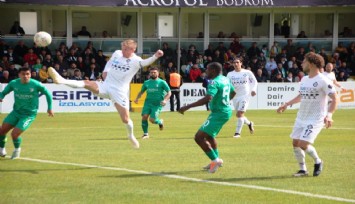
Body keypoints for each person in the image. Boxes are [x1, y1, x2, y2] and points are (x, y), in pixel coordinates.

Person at [48, 39, 164, 149]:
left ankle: (130, 135)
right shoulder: (117, 53)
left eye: (125, 49)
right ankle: (61, 80)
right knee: (87, 83)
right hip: (106, 85)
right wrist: (105, 71)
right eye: (122, 48)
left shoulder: (136, 60)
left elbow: (145, 62)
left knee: (125, 119)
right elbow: (109, 63)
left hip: (119, 92)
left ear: (132, 50)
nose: (122, 51)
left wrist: (156, 56)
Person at [277, 52, 338, 177]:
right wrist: (286, 104)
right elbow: (301, 96)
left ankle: (318, 161)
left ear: (311, 64)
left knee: (303, 144)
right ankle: (303, 169)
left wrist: (329, 115)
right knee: (295, 143)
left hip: (315, 118)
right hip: (302, 116)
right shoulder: (304, 79)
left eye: (304, 61)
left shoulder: (323, 80)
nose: (302, 63)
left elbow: (335, 98)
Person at [178, 62, 236, 173]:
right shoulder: (225, 79)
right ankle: (216, 159)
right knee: (209, 136)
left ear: (213, 70)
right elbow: (233, 92)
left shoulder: (214, 82)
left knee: (198, 137)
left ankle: (215, 160)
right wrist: (225, 102)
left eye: (208, 70)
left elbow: (208, 98)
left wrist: (188, 106)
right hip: (224, 111)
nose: (206, 72)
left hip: (219, 113)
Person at [0, 67, 53, 159]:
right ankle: (2, 148)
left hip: (28, 115)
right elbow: (3, 92)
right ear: (19, 75)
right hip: (16, 112)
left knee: (15, 134)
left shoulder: (36, 84)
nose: (25, 76)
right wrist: (1, 96)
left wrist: (50, 108)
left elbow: (48, 93)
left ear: (30, 74)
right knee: (2, 131)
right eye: (23, 74)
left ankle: (17, 150)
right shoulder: (14, 83)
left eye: (27, 74)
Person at [134, 67, 171, 139]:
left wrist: (165, 100)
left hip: (157, 104)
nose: (153, 73)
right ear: (149, 73)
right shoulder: (146, 82)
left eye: (154, 72)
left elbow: (169, 92)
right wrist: (137, 98)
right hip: (148, 103)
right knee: (144, 116)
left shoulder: (162, 82)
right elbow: (141, 91)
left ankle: (160, 122)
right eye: (151, 72)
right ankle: (145, 134)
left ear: (158, 73)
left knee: (152, 120)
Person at [227, 57, 257, 138]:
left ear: (241, 63)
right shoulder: (230, 74)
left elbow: (254, 81)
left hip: (245, 96)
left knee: (240, 114)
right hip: (235, 97)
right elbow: (228, 85)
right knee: (239, 115)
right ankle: (249, 123)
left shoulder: (247, 72)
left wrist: (253, 90)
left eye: (237, 62)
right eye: (234, 63)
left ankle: (237, 133)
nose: (236, 64)